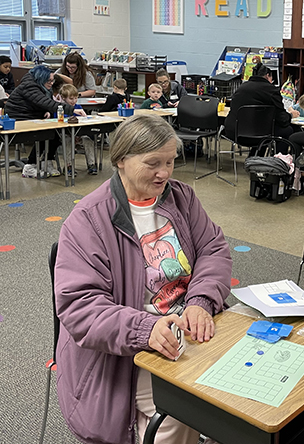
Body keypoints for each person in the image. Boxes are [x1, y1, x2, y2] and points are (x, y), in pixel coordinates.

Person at [54, 114, 232, 444]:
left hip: (188, 330)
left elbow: (213, 249)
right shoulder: (88, 221)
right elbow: (80, 306)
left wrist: (200, 301)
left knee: (241, 391)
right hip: (125, 353)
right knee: (183, 407)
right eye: (153, 163)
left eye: (170, 162)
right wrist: (146, 329)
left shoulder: (181, 197)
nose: (164, 173)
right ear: (121, 160)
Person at [4, 65, 85, 178]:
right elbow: (46, 103)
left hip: (31, 116)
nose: (51, 83)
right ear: (41, 78)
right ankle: (29, 166)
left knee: (56, 132)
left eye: (53, 80)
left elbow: (44, 103)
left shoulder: (41, 86)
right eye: (49, 80)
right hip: (18, 119)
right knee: (44, 133)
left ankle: (47, 162)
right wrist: (72, 109)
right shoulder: (29, 86)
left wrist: (45, 111)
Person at [223, 62, 296, 142]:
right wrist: (291, 115)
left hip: (233, 131)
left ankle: (256, 153)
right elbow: (282, 119)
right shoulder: (271, 90)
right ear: (268, 76)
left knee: (262, 128)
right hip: (257, 133)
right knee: (287, 130)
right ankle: (278, 154)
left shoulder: (241, 88)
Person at [60, 84, 98, 175]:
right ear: (64, 98)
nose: (74, 101)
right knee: (68, 141)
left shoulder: (79, 107)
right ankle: (69, 166)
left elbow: (84, 120)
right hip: (65, 134)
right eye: (71, 99)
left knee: (87, 140)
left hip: (79, 133)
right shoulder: (60, 108)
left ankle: (91, 164)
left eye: (76, 98)